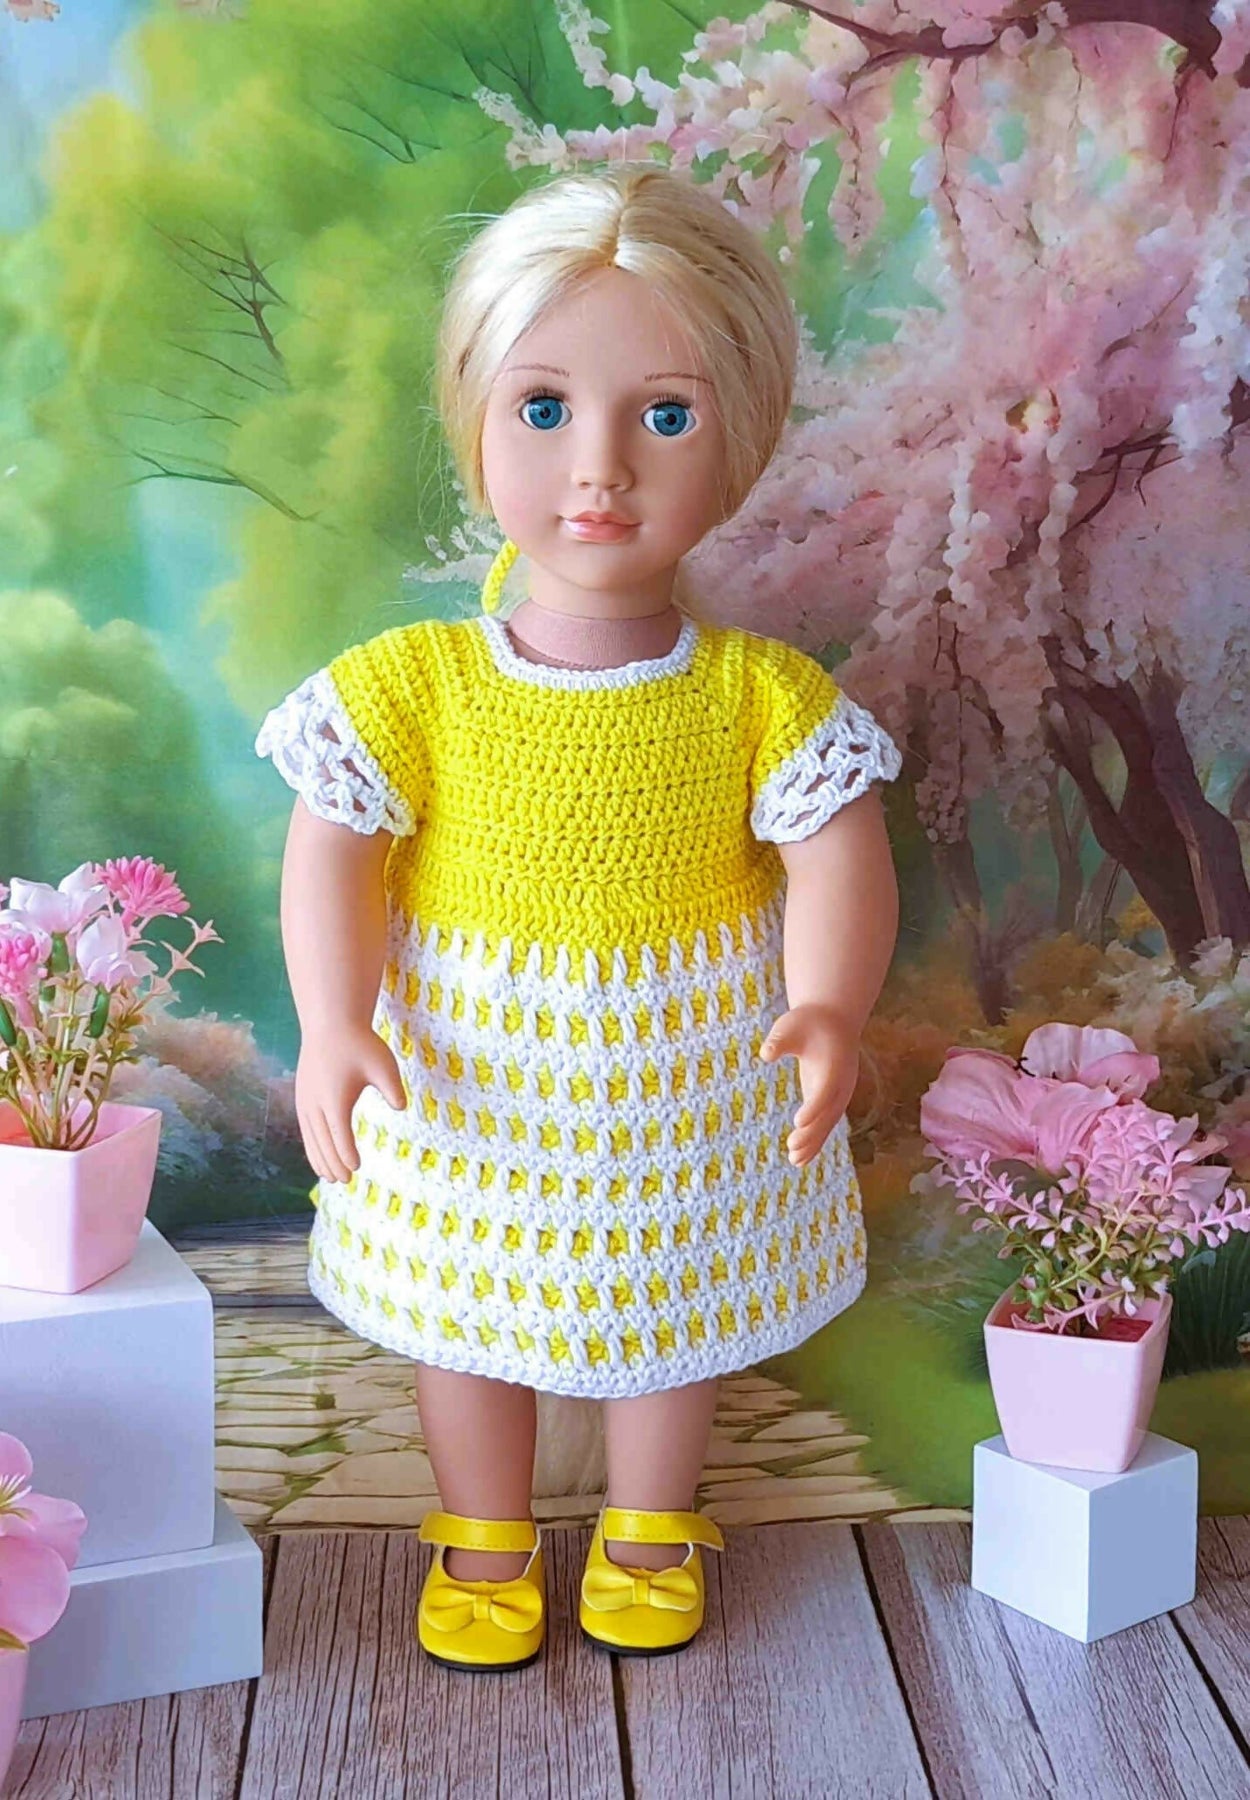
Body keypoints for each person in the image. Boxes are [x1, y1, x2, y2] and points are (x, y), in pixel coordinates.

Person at [255, 163, 901, 1673]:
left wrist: (828, 1007)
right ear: (474, 423)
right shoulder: (417, 685)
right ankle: (482, 1535)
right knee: (464, 1312)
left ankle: (650, 1524)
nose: (597, 467)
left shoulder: (757, 695)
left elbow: (838, 855)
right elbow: (332, 848)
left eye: (663, 416)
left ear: (736, 440)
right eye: (543, 408)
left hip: (691, 1087)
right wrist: (333, 1021)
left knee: (676, 1309)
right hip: (469, 1086)